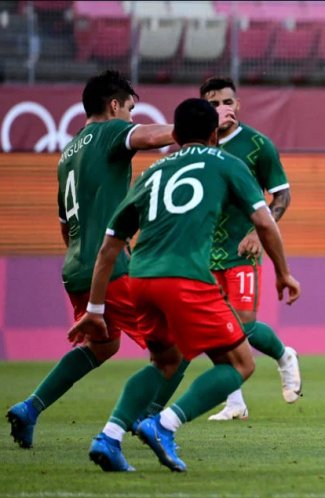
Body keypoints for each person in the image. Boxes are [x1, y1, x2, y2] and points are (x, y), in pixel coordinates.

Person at [68, 98, 301, 472]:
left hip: (140, 279)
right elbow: (264, 221)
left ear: (174, 136)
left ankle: (109, 437)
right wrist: (283, 272)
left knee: (165, 361)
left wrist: (95, 309)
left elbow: (109, 247)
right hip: (186, 277)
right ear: (214, 135)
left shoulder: (151, 173)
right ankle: (164, 424)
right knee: (240, 363)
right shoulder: (227, 163)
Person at [5, 70, 174, 449]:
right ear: (114, 106)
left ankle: (30, 408)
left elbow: (65, 226)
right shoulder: (111, 132)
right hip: (111, 268)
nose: (131, 117)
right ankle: (146, 423)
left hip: (76, 269)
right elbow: (151, 136)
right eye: (129, 109)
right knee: (173, 348)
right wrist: (197, 130)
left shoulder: (67, 154)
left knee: (103, 345)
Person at [201, 76, 301, 420]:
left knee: (241, 324)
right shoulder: (195, 146)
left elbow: (282, 195)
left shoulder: (258, 145)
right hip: (203, 251)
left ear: (238, 104)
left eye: (227, 102)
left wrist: (259, 233)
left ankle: (284, 355)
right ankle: (234, 402)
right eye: (213, 104)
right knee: (213, 328)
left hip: (242, 248)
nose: (222, 109)